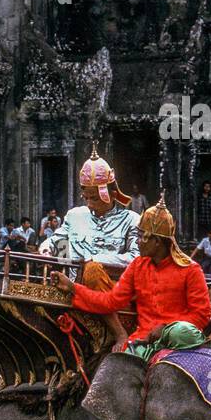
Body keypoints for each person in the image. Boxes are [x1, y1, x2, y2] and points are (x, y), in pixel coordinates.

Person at [52, 194, 211, 420]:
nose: (138, 242)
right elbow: (111, 301)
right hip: (142, 341)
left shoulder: (190, 269)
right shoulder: (138, 266)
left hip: (177, 336)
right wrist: (74, 289)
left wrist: (165, 330)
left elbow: (201, 315)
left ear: (159, 242)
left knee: (184, 332)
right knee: (113, 368)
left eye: (142, 237)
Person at [40, 146, 141, 345]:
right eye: (86, 198)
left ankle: (118, 332)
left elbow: (136, 259)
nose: (89, 203)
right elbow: (59, 241)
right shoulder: (75, 215)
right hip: (71, 288)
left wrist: (95, 260)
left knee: (93, 270)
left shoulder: (131, 220)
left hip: (113, 293)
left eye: (94, 198)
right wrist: (46, 248)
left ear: (111, 193)